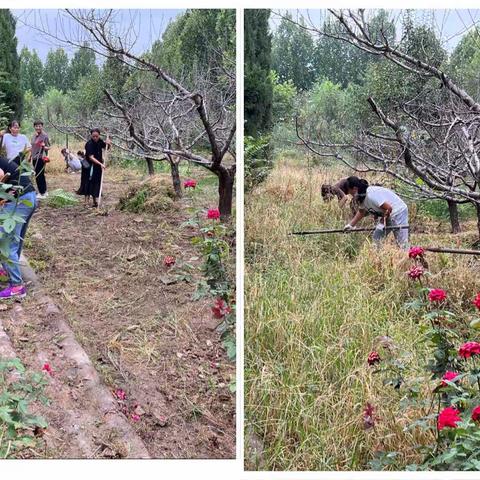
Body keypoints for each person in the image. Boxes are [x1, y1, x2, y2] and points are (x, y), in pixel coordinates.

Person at [0, 153, 37, 299]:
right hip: (29, 196)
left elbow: (1, 175)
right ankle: (9, 271)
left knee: (5, 241)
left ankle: (16, 286)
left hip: (19, 199)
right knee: (15, 238)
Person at [343, 176, 409, 249]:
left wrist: (382, 222)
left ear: (355, 189)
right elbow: (361, 212)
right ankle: (377, 256)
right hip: (387, 214)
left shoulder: (371, 194)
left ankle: (409, 255)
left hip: (398, 211)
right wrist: (350, 225)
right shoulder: (362, 197)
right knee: (377, 237)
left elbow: (388, 208)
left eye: (350, 193)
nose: (351, 195)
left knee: (402, 242)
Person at [84, 128, 111, 208]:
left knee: (96, 183)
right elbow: (91, 157)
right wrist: (101, 164)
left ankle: (95, 201)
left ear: (99, 135)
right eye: (93, 136)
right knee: (88, 183)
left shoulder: (99, 141)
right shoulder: (89, 144)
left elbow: (106, 147)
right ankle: (86, 202)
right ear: (91, 136)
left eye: (97, 136)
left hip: (98, 167)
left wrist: (108, 143)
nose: (95, 138)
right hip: (89, 167)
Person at [30, 119, 51, 200]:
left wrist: (43, 146)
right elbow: (32, 147)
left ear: (42, 126)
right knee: (38, 174)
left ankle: (42, 192)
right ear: (34, 127)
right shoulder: (34, 135)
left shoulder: (44, 135)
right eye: (36, 126)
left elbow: (49, 147)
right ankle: (43, 191)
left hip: (41, 157)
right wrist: (29, 157)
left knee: (39, 175)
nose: (38, 127)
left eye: (39, 126)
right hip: (34, 157)